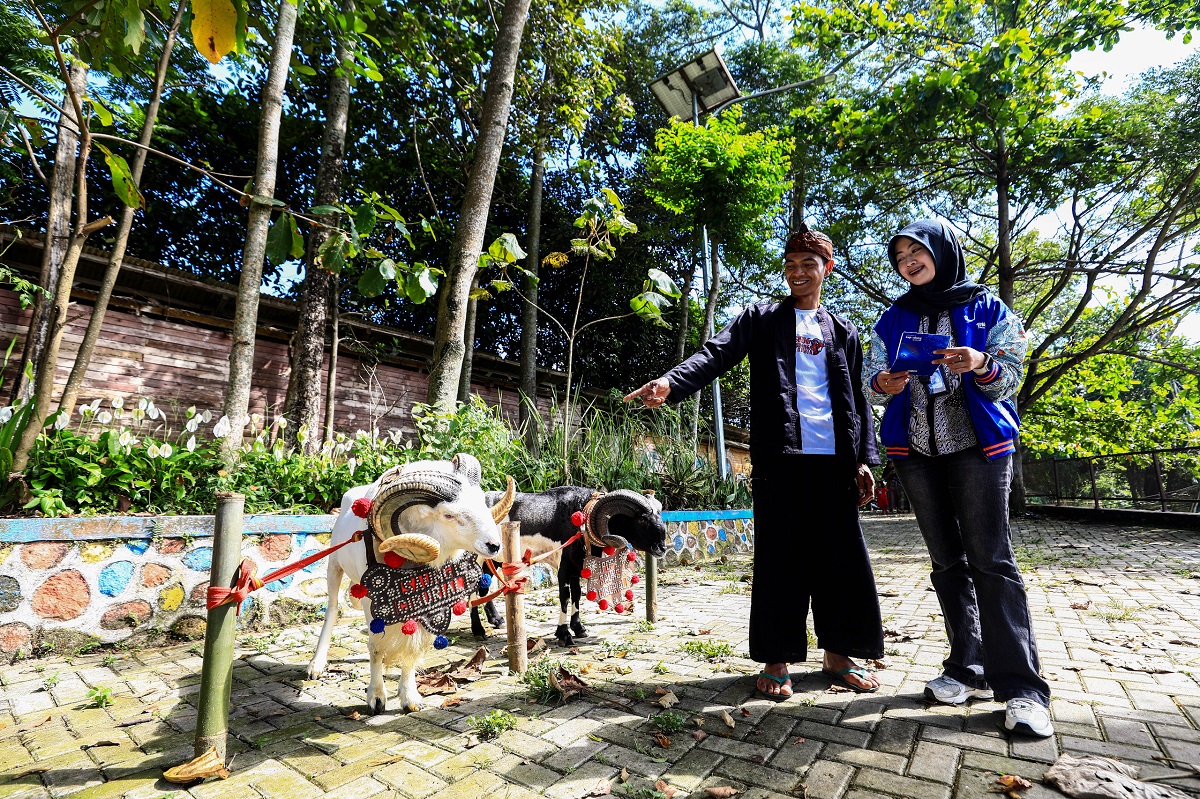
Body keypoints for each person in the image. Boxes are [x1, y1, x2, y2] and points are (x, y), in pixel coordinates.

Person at [624, 224, 884, 699]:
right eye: (790, 265)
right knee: (780, 558)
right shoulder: (761, 318)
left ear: (828, 269)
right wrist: (669, 383)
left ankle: (839, 655)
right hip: (781, 460)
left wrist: (864, 458)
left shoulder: (843, 332)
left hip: (833, 463)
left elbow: (858, 402)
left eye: (809, 264)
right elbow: (715, 354)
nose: (797, 272)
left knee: (841, 559)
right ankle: (776, 658)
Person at [864, 219, 1052, 737]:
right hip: (917, 452)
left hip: (978, 448)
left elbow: (1012, 375)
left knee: (991, 561)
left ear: (942, 252)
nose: (908, 262)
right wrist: (885, 380)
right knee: (947, 562)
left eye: (916, 251)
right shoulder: (893, 317)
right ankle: (967, 668)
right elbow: (872, 382)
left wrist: (981, 363)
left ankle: (1021, 688)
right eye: (899, 255)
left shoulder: (989, 308)